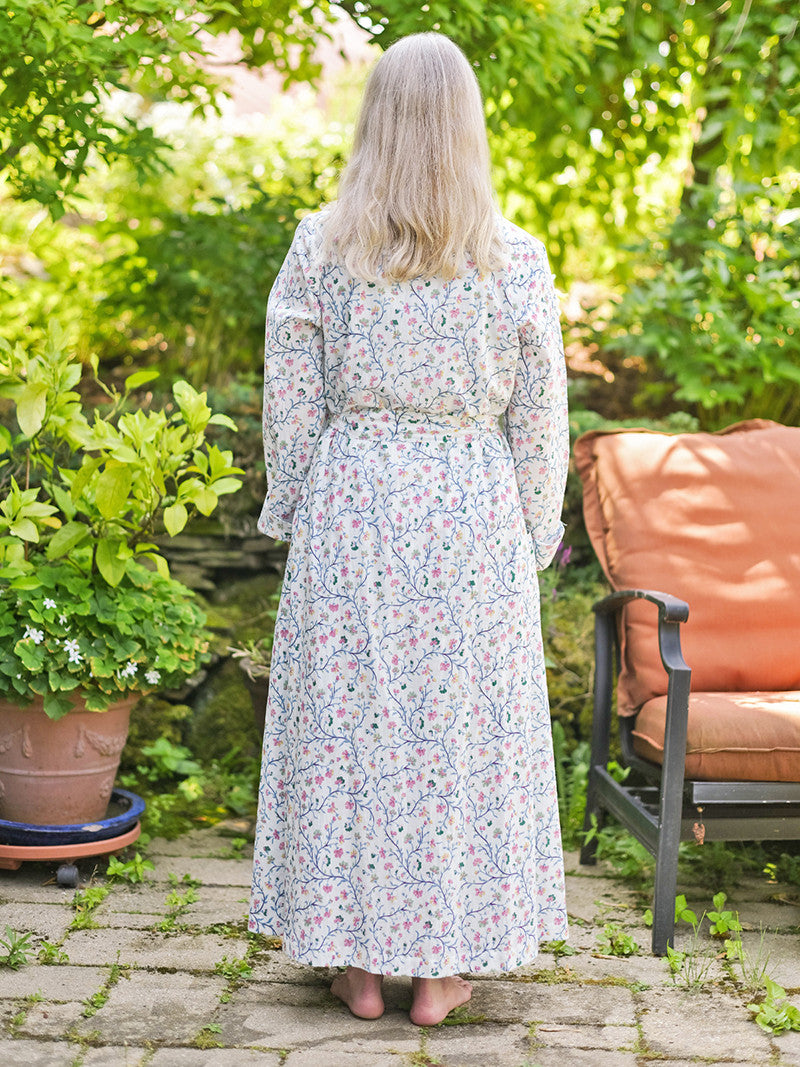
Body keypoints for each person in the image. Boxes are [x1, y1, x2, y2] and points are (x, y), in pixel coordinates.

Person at [249, 31, 569, 1026]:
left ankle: (355, 966)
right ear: (467, 126)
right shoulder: (509, 256)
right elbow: (540, 413)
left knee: (349, 735)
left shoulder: (321, 245)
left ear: (374, 119)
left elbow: (290, 397)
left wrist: (299, 508)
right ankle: (438, 972)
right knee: (457, 741)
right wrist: (530, 529)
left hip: (355, 506)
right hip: (467, 513)